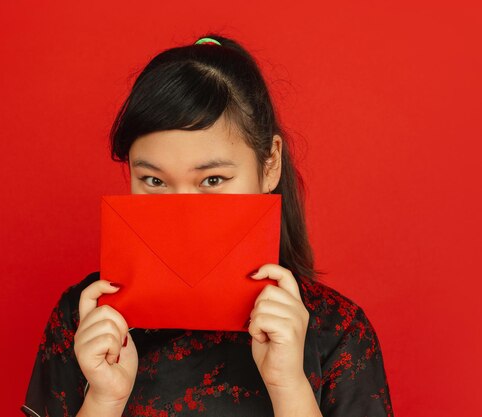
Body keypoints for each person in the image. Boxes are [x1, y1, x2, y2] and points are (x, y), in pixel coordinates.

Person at [20, 34, 394, 417]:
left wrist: (289, 388)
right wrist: (104, 400)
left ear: (270, 166)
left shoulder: (337, 331)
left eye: (212, 180)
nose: (182, 212)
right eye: (154, 181)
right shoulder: (87, 318)